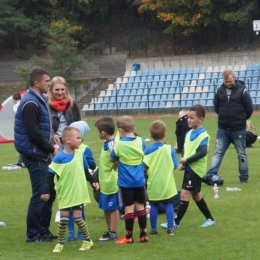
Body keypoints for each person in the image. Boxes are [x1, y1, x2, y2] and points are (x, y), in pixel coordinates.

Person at [14, 68, 60, 243]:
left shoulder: (38, 99)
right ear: (37, 83)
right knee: (40, 193)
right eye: (47, 81)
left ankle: (43, 230)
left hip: (40, 152)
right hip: (35, 154)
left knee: (49, 192)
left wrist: (51, 135)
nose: (50, 83)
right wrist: (50, 148)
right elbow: (33, 133)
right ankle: (33, 234)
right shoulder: (31, 103)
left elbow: (39, 127)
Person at [41, 126, 99, 253]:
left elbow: (86, 170)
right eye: (77, 138)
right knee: (63, 220)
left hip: (78, 192)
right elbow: (49, 175)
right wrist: (46, 191)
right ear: (67, 140)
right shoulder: (59, 158)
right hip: (65, 193)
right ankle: (60, 243)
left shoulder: (80, 154)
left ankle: (87, 240)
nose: (80, 140)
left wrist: (93, 181)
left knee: (78, 218)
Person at [203, 69, 253, 184]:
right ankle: (211, 175)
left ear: (234, 78)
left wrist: (241, 119)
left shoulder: (243, 91)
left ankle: (244, 177)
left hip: (238, 129)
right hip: (223, 129)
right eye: (226, 82)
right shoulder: (219, 91)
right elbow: (217, 107)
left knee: (241, 153)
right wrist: (223, 116)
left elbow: (249, 108)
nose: (228, 83)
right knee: (218, 152)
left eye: (229, 81)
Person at [174, 104, 215, 229]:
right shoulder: (188, 133)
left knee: (185, 194)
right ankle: (210, 219)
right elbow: (187, 150)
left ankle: (175, 223)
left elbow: (203, 152)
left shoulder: (203, 135)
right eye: (188, 117)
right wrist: (182, 163)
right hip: (189, 167)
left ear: (200, 119)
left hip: (196, 169)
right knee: (196, 195)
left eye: (192, 118)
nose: (189, 120)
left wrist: (187, 160)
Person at [110, 115, 148, 244]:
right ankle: (143, 234)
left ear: (120, 130)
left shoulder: (119, 144)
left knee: (129, 209)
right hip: (139, 180)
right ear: (134, 128)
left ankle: (128, 236)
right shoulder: (141, 140)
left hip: (126, 182)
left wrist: (114, 147)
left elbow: (112, 158)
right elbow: (144, 153)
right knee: (141, 207)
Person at [143, 120, 178, 235]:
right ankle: (170, 228)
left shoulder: (147, 150)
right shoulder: (169, 149)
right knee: (169, 205)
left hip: (153, 183)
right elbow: (175, 165)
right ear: (165, 134)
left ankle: (154, 229)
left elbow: (144, 167)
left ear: (151, 135)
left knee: (153, 205)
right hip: (167, 183)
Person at [63, 120, 96, 242]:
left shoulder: (85, 149)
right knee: (68, 209)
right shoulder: (65, 148)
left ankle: (81, 233)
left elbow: (92, 165)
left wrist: (85, 163)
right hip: (67, 184)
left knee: (78, 209)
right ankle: (71, 233)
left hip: (79, 183)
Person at [95, 117, 121, 241]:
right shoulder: (114, 140)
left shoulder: (111, 146)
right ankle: (110, 230)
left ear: (103, 132)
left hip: (109, 181)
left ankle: (113, 232)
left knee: (112, 208)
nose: (97, 133)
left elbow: (116, 158)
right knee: (106, 207)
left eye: (97, 131)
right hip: (105, 181)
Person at [48, 76, 81, 144]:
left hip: (70, 143)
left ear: (66, 89)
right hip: (54, 143)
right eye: (57, 90)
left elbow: (78, 124)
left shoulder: (72, 104)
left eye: (62, 89)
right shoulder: (46, 104)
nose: (60, 93)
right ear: (51, 89)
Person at [12, 92, 25, 168]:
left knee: (19, 143)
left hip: (20, 127)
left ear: (14, 99)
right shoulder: (23, 103)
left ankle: (21, 162)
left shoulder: (15, 106)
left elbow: (17, 116)